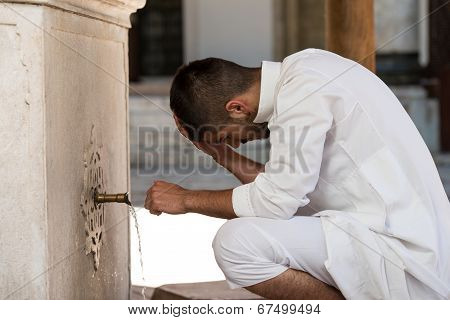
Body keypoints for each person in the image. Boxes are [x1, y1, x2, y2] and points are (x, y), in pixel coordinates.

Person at [144, 49, 450, 299]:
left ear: (236, 108)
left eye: (226, 136)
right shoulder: (305, 70)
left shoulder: (302, 91)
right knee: (269, 220)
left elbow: (275, 202)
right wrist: (217, 150)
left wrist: (184, 200)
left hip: (407, 261)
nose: (236, 142)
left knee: (235, 244)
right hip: (395, 241)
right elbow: (281, 190)